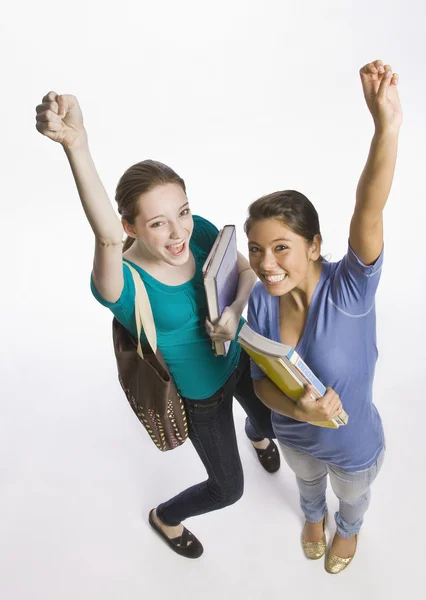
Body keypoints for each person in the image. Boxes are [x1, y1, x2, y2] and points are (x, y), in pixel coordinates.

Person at [35, 93, 280, 559]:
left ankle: (257, 432)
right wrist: (77, 146)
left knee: (273, 422)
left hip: (240, 361)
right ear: (129, 227)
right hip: (202, 400)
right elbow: (103, 235)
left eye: (182, 212)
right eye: (158, 223)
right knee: (229, 490)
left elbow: (245, 272)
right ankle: (165, 518)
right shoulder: (122, 284)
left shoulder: (199, 230)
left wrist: (234, 312)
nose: (178, 233)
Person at [244, 59, 401, 574]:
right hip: (295, 438)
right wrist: (301, 414)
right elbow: (261, 386)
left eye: (281, 248)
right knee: (307, 483)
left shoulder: (350, 288)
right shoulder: (261, 300)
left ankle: (348, 529)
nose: (267, 264)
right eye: (257, 249)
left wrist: (386, 127)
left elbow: (369, 210)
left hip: (353, 447)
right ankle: (313, 517)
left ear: (314, 246)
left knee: (350, 499)